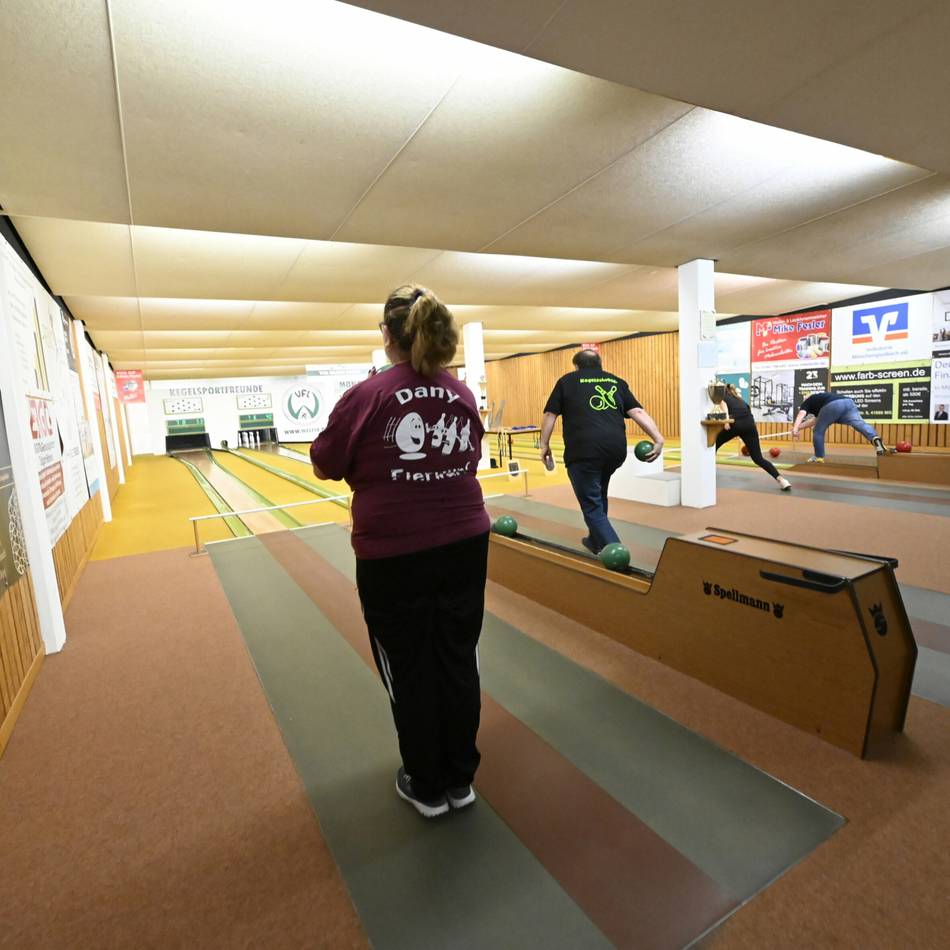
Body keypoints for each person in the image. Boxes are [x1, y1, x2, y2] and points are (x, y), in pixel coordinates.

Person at [310, 285, 489, 819]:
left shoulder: (368, 395)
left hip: (395, 554)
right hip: (465, 544)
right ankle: (460, 779)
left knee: (408, 666)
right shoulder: (459, 393)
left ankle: (426, 785)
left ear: (387, 335)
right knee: (457, 657)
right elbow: (470, 455)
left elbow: (324, 462)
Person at [539, 349, 664, 555]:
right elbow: (637, 411)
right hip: (614, 451)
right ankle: (595, 540)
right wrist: (657, 438)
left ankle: (617, 553)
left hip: (584, 451)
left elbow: (550, 414)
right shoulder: (616, 381)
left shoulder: (567, 381)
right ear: (600, 364)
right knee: (598, 493)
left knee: (591, 505)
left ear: (576, 366)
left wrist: (544, 444)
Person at [715, 383, 791, 491]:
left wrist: (726, 420)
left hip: (735, 425)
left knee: (713, 446)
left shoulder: (723, 397)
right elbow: (748, 413)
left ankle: (706, 475)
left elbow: (723, 404)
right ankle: (782, 480)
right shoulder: (740, 399)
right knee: (758, 458)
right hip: (750, 425)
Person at [792, 391, 888, 460]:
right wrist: (798, 428)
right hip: (848, 403)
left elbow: (801, 414)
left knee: (818, 431)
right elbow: (815, 420)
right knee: (859, 424)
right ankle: (875, 439)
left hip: (833, 405)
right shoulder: (820, 399)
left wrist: (795, 428)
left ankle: (818, 457)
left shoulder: (808, 401)